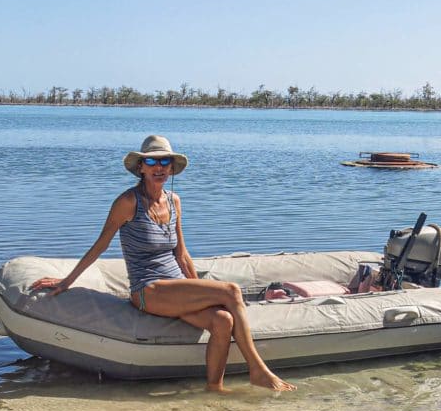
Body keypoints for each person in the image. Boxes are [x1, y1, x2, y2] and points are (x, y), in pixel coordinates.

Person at [31, 135, 296, 393]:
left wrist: (198, 288)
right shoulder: (128, 202)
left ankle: (214, 388)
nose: (158, 168)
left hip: (176, 288)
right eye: (151, 162)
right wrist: (67, 281)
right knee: (231, 291)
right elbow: (100, 244)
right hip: (148, 290)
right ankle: (258, 370)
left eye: (164, 162)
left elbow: (181, 253)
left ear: (171, 168)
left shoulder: (173, 201)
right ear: (140, 168)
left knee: (223, 320)